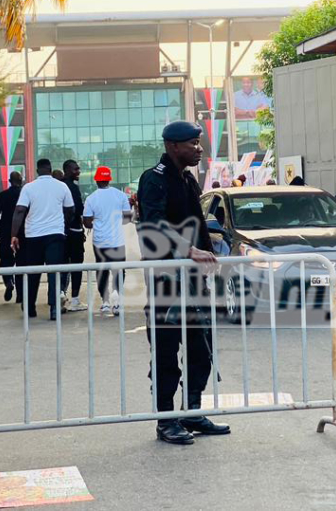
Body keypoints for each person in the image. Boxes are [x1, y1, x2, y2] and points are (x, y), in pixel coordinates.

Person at [137, 121, 230, 445]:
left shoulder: (188, 180)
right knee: (166, 350)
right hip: (166, 281)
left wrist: (208, 261)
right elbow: (153, 223)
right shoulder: (154, 179)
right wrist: (187, 250)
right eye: (193, 143)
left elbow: (198, 224)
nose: (199, 148)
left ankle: (191, 411)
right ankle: (166, 421)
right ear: (173, 146)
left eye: (199, 142)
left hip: (193, 281)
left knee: (200, 348)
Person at [10, 158, 74, 320]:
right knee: (54, 272)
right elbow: (70, 209)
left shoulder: (29, 188)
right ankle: (54, 308)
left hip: (33, 235)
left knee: (33, 272)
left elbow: (19, 211)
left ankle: (30, 307)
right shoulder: (62, 186)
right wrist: (64, 226)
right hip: (55, 235)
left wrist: (14, 235)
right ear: (51, 169)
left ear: (37, 171)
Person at [83, 166, 134, 316]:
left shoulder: (91, 198)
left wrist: (96, 223)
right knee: (119, 271)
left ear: (97, 180)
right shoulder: (120, 196)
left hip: (100, 242)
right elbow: (127, 220)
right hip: (117, 241)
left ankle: (105, 302)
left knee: (102, 271)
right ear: (109, 179)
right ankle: (117, 302)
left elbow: (86, 222)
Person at [61, 160, 88, 312]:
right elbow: (78, 209)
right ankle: (75, 300)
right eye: (76, 169)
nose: (79, 171)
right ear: (68, 170)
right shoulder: (73, 188)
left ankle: (61, 295)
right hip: (75, 232)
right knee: (77, 266)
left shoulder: (59, 186)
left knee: (63, 265)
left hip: (61, 232)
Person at [0, 171, 23, 302]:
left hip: (5, 232)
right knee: (22, 263)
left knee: (5, 260)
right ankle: (20, 294)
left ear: (10, 181)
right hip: (21, 233)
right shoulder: (24, 194)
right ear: (21, 181)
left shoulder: (2, 195)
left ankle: (9, 282)